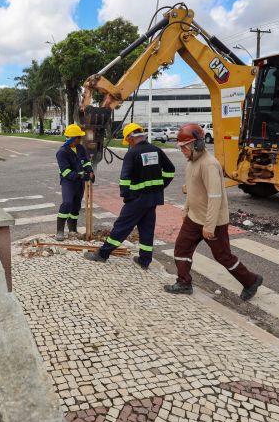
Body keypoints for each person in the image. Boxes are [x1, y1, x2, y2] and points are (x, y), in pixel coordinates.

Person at [164, 123, 263, 300]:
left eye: (184, 147)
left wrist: (209, 226)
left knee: (223, 256)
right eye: (181, 147)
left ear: (197, 145)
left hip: (213, 222)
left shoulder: (209, 164)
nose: (182, 151)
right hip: (194, 218)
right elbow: (193, 190)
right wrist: (186, 209)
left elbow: (215, 197)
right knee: (181, 248)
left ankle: (251, 280)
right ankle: (184, 282)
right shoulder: (191, 162)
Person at [84, 123, 175, 268]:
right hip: (153, 199)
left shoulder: (132, 154)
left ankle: (102, 254)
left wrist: (126, 196)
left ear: (130, 138)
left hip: (137, 200)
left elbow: (125, 179)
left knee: (121, 227)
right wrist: (160, 186)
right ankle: (145, 261)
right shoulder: (156, 150)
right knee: (147, 229)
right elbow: (170, 170)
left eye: (128, 141)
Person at [55, 124, 94, 240]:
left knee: (76, 205)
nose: (80, 139)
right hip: (68, 182)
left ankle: (72, 229)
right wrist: (82, 175)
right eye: (79, 137)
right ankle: (60, 231)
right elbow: (66, 172)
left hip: (79, 181)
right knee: (67, 203)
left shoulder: (80, 148)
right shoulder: (62, 152)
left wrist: (90, 171)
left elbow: (86, 161)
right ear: (73, 138)